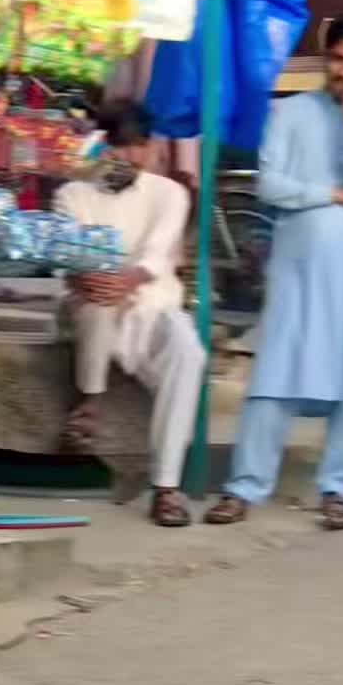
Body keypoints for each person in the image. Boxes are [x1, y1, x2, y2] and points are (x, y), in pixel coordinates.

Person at [205, 14, 343, 531]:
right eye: (337, 59)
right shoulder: (289, 112)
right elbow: (270, 187)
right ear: (325, 59)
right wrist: (334, 195)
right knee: (277, 369)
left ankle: (339, 490)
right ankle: (245, 487)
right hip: (300, 267)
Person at [56, 102, 205, 527]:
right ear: (100, 146)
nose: (129, 157)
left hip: (154, 304)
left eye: (137, 147)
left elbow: (155, 257)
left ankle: (166, 487)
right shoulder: (71, 194)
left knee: (189, 353)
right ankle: (90, 401)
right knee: (97, 305)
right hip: (92, 305)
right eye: (119, 147)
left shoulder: (169, 193)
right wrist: (93, 277)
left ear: (150, 147)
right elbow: (71, 257)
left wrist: (126, 280)